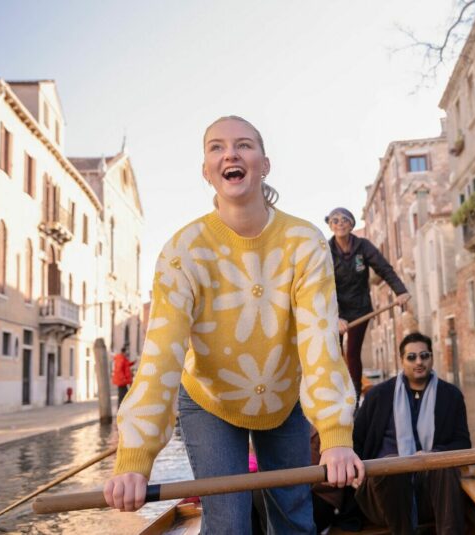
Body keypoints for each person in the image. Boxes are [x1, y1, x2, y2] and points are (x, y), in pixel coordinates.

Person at [102, 116, 364, 533]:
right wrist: (135, 458)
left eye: (244, 145)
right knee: (227, 522)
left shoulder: (305, 242)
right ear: (207, 171)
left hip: (283, 395)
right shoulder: (182, 251)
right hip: (208, 400)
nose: (230, 153)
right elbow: (161, 356)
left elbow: (319, 344)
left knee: (295, 514)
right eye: (216, 147)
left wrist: (335, 437)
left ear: (264, 164)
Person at [353, 332, 470, 534]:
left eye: (424, 356)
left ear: (432, 357)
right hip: (383, 497)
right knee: (391, 464)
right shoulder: (378, 395)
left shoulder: (451, 396)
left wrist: (432, 454)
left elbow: (463, 443)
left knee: (441, 462)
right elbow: (355, 441)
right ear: (401, 361)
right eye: (411, 357)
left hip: (431, 495)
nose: (419, 362)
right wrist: (355, 472)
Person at [325, 207, 411, 399]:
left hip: (360, 309)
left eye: (344, 219)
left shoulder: (363, 246)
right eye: (335, 220)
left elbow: (384, 268)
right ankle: (336, 396)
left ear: (351, 224)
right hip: (335, 309)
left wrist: (401, 291)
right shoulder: (326, 250)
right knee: (334, 353)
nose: (340, 223)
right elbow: (323, 286)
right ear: (330, 226)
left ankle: (355, 398)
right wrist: (335, 317)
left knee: (353, 353)